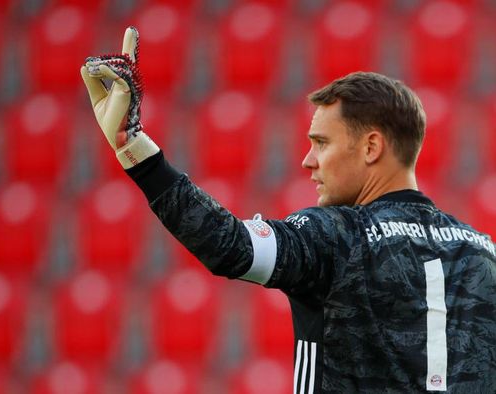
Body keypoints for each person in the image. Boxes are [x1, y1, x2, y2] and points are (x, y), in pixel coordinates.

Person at [80, 27, 496, 392]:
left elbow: (230, 245)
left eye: (321, 142)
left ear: (371, 147)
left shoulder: (337, 236)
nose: (307, 160)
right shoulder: (485, 254)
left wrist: (133, 147)